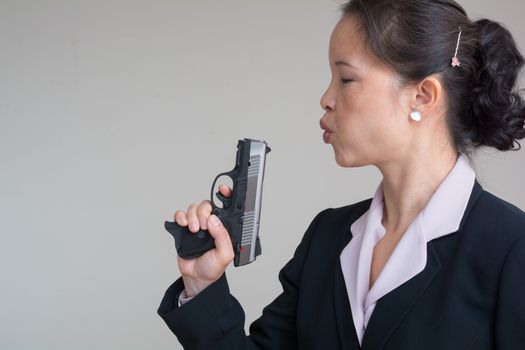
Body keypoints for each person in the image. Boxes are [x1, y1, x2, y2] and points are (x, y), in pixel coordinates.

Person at [157, 0, 525, 349]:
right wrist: (202, 284)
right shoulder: (326, 237)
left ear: (424, 96)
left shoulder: (512, 248)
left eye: (346, 79)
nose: (326, 98)